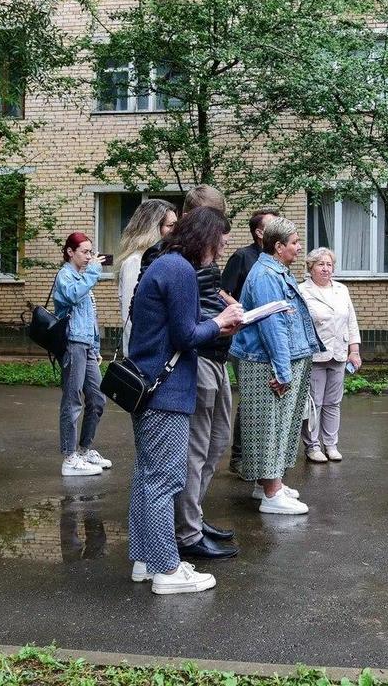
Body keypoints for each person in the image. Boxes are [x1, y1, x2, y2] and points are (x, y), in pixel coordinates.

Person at [126, 207, 244, 593]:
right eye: (220, 243)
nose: (221, 252)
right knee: (165, 480)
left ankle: (145, 561)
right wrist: (221, 321)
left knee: (147, 478)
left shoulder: (164, 264)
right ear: (205, 240)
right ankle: (167, 570)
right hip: (168, 389)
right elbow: (186, 335)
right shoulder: (179, 270)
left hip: (150, 385)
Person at [229, 216, 323, 515]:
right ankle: (271, 493)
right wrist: (282, 371)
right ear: (279, 246)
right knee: (270, 426)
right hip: (267, 362)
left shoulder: (275, 270)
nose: (299, 248)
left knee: (280, 425)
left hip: (280, 359)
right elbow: (274, 326)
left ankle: (269, 484)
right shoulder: (267, 275)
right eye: (294, 243)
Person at [173, 185, 239, 560]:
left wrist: (229, 309)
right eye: (215, 224)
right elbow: (186, 315)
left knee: (216, 445)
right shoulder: (176, 258)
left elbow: (207, 298)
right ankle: (187, 532)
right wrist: (221, 318)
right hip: (198, 358)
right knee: (196, 450)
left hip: (216, 355)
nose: (223, 237)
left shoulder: (203, 258)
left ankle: (194, 518)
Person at [221, 207, 279, 475]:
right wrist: (243, 310)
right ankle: (240, 456)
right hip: (244, 338)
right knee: (250, 398)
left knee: (265, 397)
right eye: (272, 223)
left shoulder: (274, 258)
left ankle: (262, 457)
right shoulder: (242, 256)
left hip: (268, 335)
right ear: (258, 232)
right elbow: (221, 290)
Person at [54, 232, 110, 478]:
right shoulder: (65, 276)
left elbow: (91, 317)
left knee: (97, 399)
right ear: (70, 252)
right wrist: (94, 271)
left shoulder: (82, 276)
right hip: (72, 344)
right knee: (73, 399)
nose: (89, 256)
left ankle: (85, 450)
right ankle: (69, 457)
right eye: (84, 252)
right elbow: (73, 295)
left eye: (90, 252)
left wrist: (96, 347)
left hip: (86, 345)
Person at [298, 247, 362, 463]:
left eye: (329, 264)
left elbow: (351, 320)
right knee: (314, 402)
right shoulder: (302, 291)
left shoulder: (341, 289)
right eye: (321, 264)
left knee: (333, 402)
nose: (326, 269)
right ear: (311, 267)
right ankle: (312, 446)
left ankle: (331, 444)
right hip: (315, 355)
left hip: (339, 353)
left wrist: (354, 350)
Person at [118, 199, 178, 356]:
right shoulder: (135, 262)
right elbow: (130, 317)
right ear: (152, 228)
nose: (175, 231)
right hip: (144, 357)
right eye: (170, 226)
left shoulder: (161, 259)